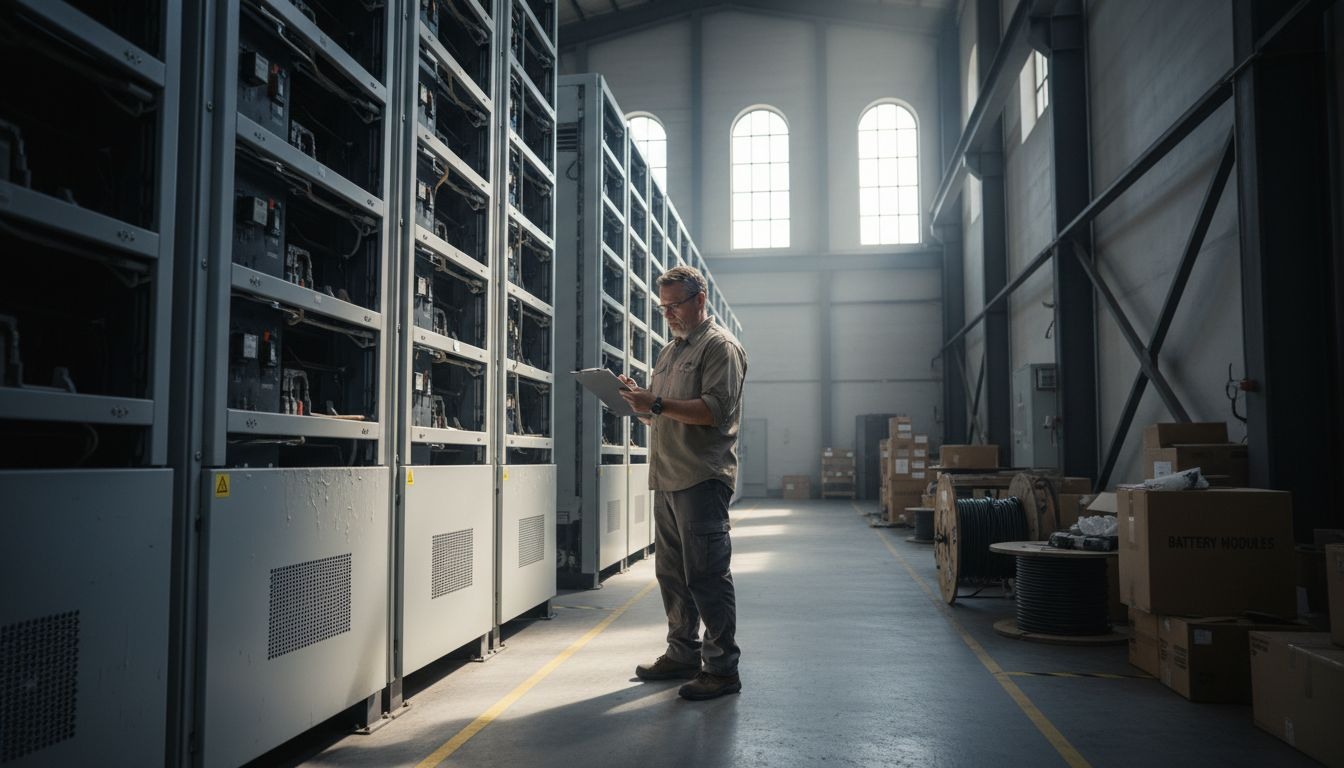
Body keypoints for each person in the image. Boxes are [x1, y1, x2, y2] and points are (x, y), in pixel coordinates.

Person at [617, 265, 748, 701]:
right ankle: (682, 653)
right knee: (672, 574)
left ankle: (723, 669)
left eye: (674, 305)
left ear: (699, 299)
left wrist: (654, 401)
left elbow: (714, 411)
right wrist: (638, 399)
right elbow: (660, 411)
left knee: (707, 575)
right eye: (663, 307)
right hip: (668, 477)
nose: (668, 313)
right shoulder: (670, 351)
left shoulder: (720, 348)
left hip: (701, 477)